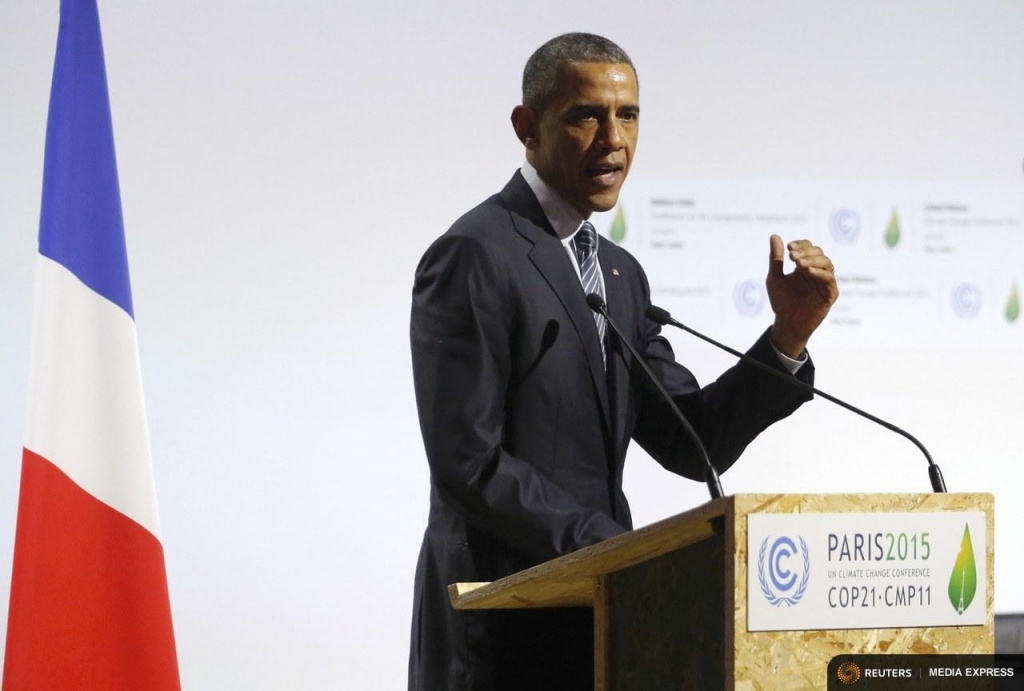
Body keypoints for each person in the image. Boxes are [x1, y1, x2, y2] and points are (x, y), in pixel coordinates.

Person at [407, 32, 838, 691]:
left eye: (628, 114)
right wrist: (614, 549)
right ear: (527, 127)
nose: (614, 138)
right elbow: (470, 462)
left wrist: (787, 336)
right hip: (500, 628)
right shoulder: (476, 254)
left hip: (604, 625)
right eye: (586, 115)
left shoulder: (618, 273)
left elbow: (694, 440)